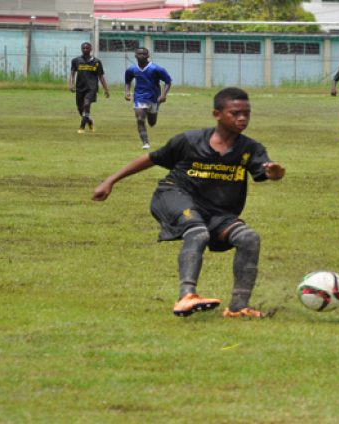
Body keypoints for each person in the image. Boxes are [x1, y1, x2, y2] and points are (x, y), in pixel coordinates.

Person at [92, 87, 286, 319]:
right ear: (217, 114)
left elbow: (266, 171)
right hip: (173, 195)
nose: (242, 118)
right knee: (197, 231)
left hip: (217, 211)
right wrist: (111, 180)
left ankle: (238, 307)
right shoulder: (189, 141)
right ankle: (186, 296)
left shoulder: (250, 149)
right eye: (235, 113)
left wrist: (274, 173)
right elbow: (152, 159)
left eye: (247, 113)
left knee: (248, 238)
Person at [124, 47, 173, 150]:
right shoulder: (131, 69)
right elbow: (128, 81)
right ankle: (145, 142)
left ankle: (154, 113)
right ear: (135, 55)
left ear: (148, 56)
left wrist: (163, 95)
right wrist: (127, 92)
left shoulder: (156, 69)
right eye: (139, 54)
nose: (141, 56)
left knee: (152, 122)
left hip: (154, 98)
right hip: (139, 97)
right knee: (140, 119)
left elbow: (168, 81)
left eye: (144, 54)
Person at [69, 42, 110, 134]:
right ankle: (89, 121)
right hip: (80, 87)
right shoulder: (76, 61)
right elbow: (72, 73)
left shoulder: (96, 62)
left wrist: (106, 89)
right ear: (81, 49)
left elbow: (101, 77)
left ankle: (82, 127)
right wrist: (71, 84)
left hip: (92, 87)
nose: (85, 50)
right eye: (83, 48)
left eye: (87, 48)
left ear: (91, 49)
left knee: (87, 104)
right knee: (80, 109)